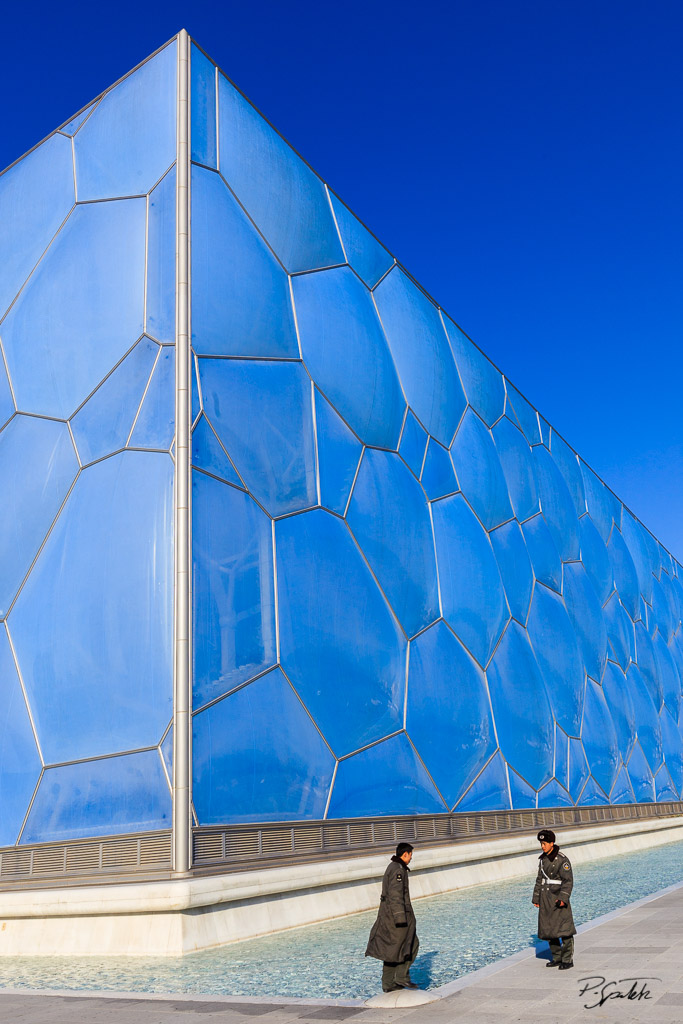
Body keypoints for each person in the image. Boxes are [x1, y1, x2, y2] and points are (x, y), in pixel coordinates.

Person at [365, 842, 420, 992]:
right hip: (396, 918)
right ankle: (402, 976)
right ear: (405, 854)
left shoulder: (393, 867)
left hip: (388, 916)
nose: (411, 859)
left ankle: (388, 984)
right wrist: (400, 919)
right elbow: (396, 896)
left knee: (391, 950)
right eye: (410, 855)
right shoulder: (398, 870)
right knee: (412, 944)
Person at [532, 828, 576, 970]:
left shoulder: (562, 860)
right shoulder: (543, 860)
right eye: (541, 844)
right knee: (550, 930)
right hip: (546, 900)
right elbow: (540, 879)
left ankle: (567, 959)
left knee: (564, 930)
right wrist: (536, 898)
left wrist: (563, 898)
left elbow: (568, 881)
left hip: (558, 899)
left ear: (552, 843)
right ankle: (556, 957)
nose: (542, 846)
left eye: (545, 843)